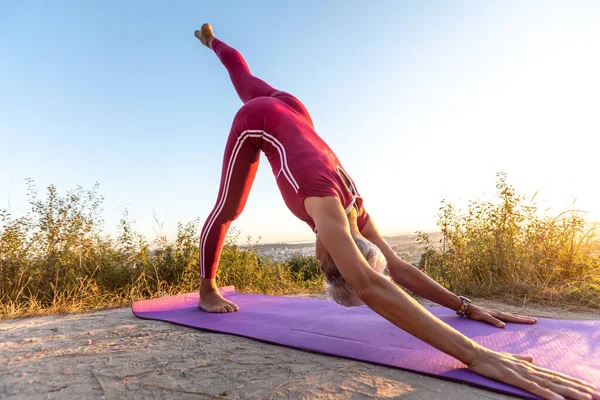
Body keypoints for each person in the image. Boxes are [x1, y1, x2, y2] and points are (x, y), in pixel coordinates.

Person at [193, 24, 598, 400]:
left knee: (244, 79)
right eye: (326, 268)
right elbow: (371, 284)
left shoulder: (357, 213)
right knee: (228, 209)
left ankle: (214, 42)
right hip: (260, 121)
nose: (317, 260)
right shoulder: (331, 214)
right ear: (332, 259)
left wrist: (465, 306)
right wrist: (476, 355)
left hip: (293, 111)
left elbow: (396, 269)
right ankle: (207, 289)